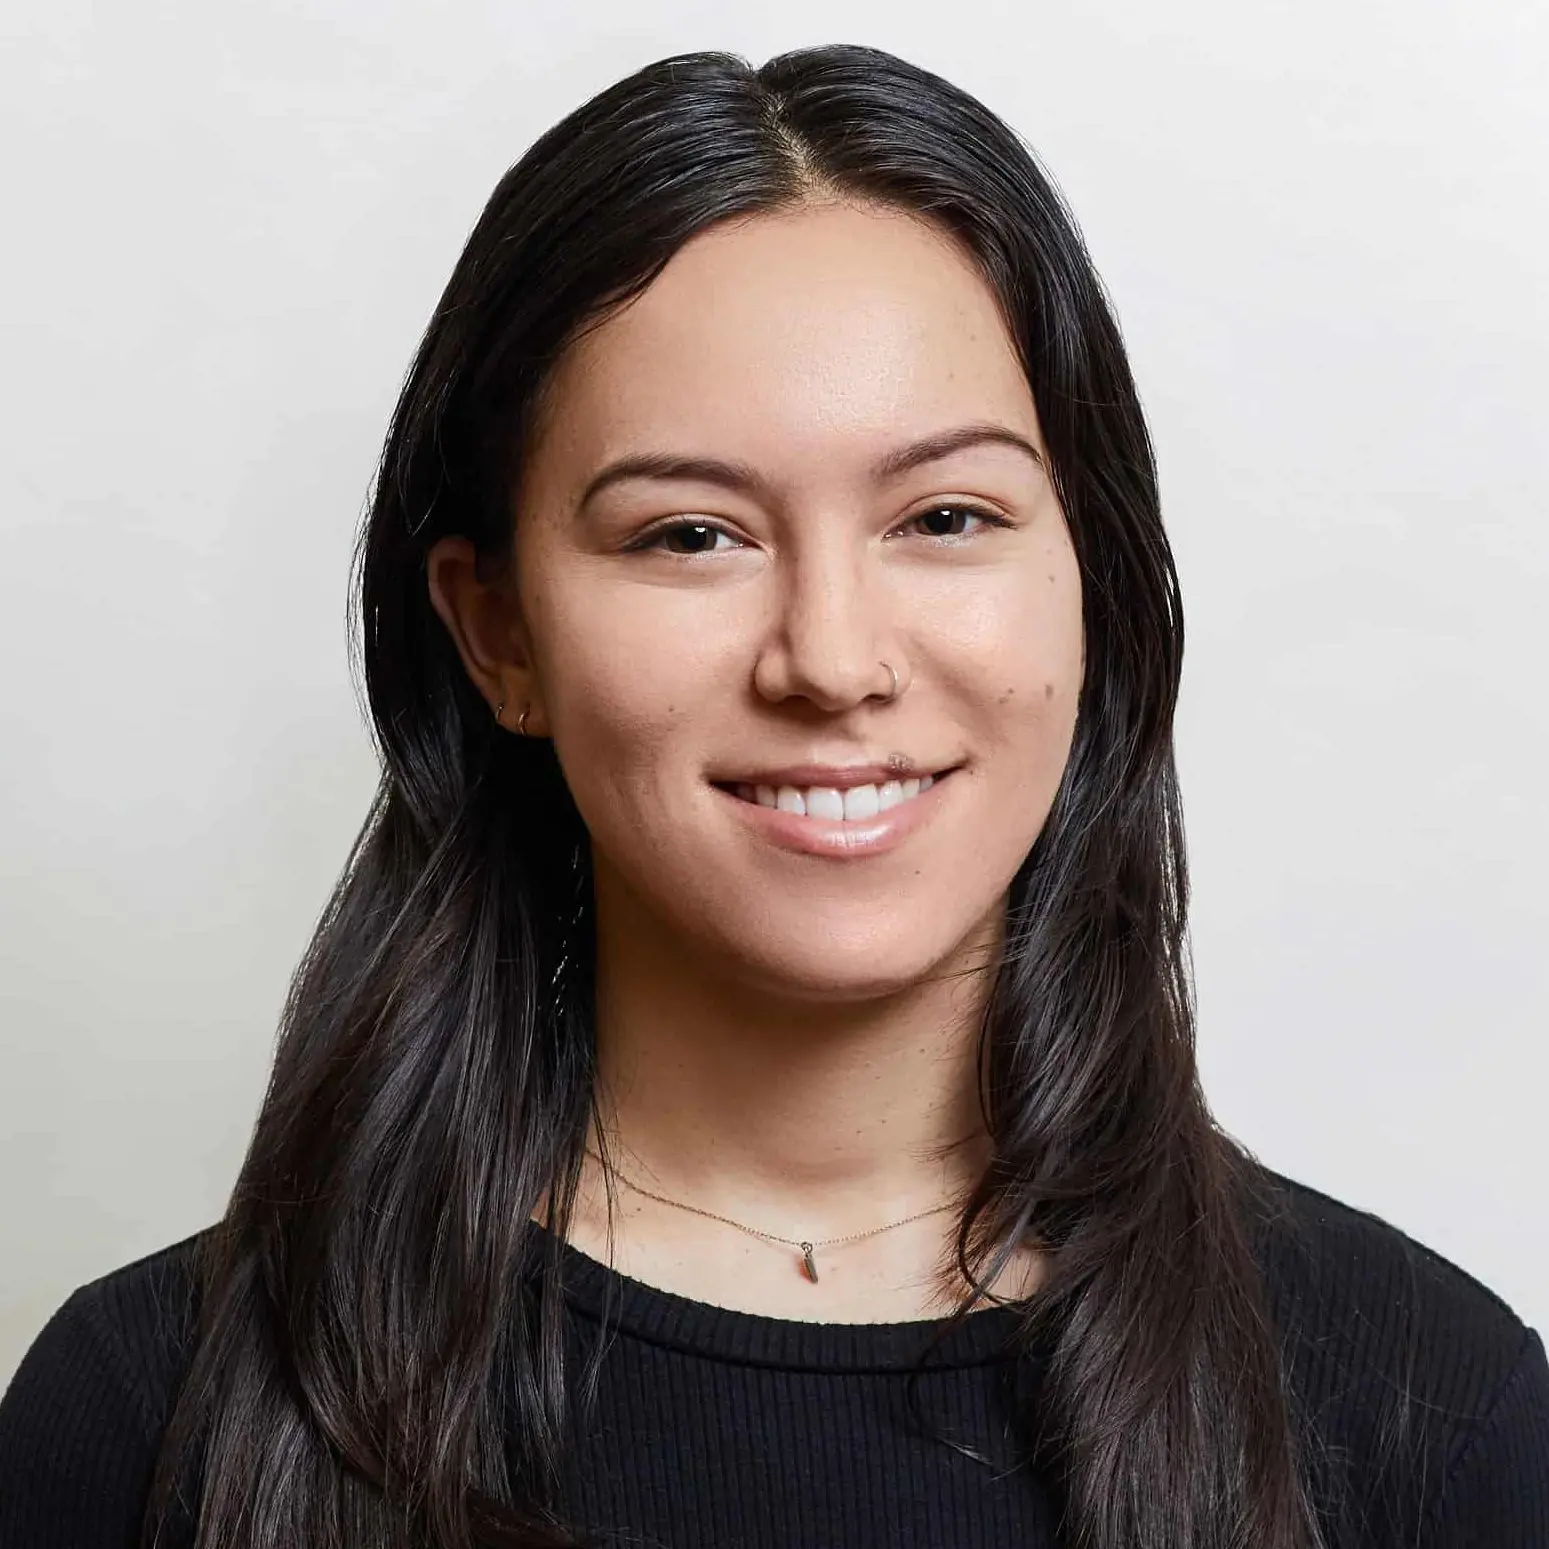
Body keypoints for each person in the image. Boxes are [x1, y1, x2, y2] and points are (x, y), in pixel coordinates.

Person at [1, 41, 1544, 1549]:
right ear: (499, 634)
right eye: (690, 536)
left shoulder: (1426, 1414)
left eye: (946, 515)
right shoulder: (149, 1416)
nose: (833, 659)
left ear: (1095, 586)